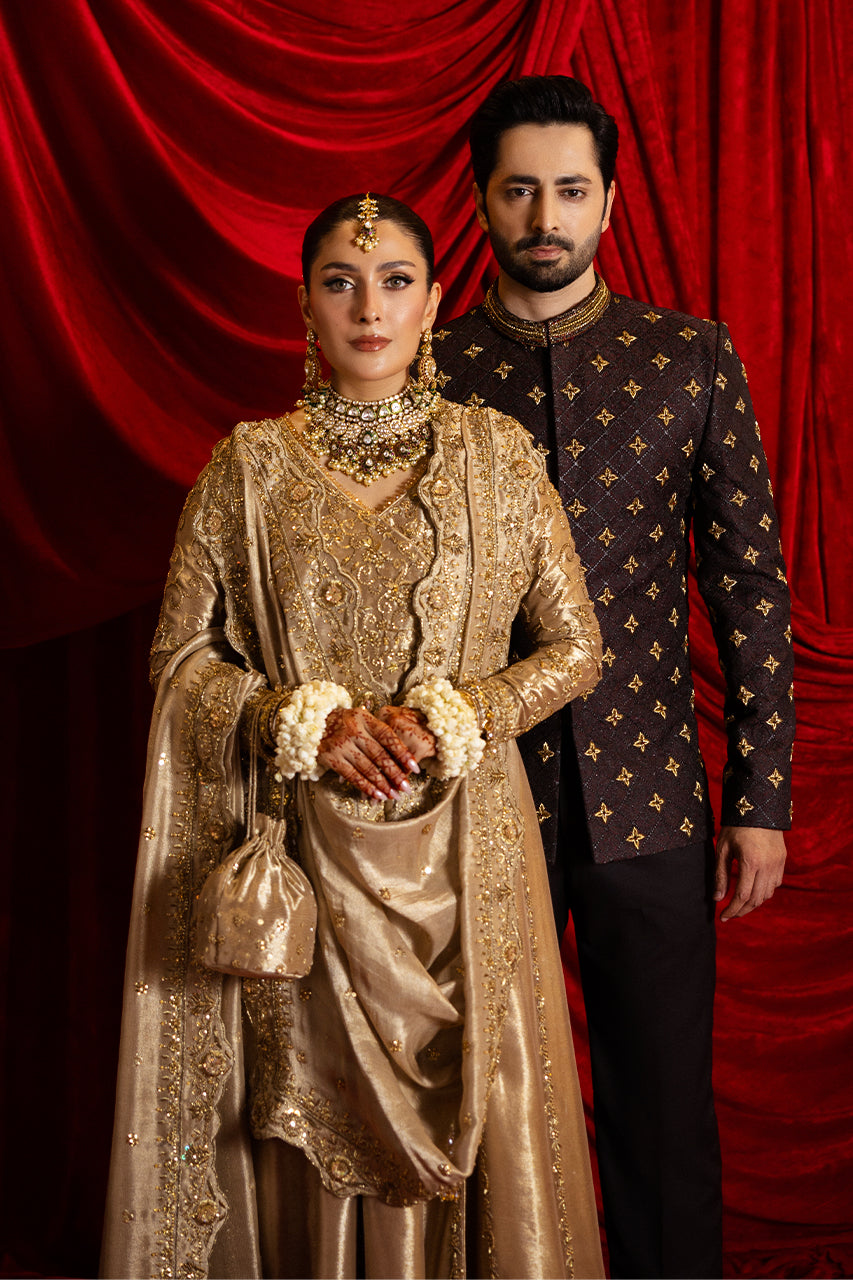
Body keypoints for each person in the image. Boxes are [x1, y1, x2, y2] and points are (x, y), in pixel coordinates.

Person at [100, 192, 606, 1279]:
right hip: (303, 861)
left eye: (394, 281)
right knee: (303, 1103)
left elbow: (575, 648)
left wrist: (461, 714)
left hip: (468, 857)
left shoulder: (497, 458)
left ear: (432, 300)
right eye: (340, 282)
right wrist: (299, 720)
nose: (368, 308)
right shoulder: (245, 470)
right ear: (305, 307)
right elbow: (178, 661)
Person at [435, 76, 795, 1279]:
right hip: (474, 800)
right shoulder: (431, 370)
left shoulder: (688, 356)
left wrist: (759, 794)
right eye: (520, 190)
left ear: (607, 199)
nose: (545, 217)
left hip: (650, 799)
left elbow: (750, 585)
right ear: (481, 198)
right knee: (473, 1108)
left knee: (664, 1117)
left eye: (569, 190)